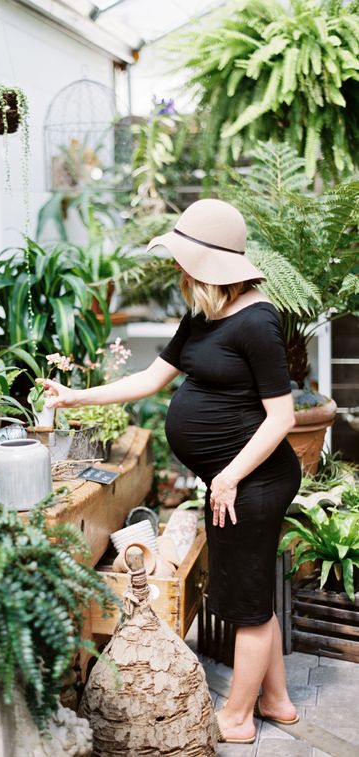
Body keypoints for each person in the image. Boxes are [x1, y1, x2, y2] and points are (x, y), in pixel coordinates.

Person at [39, 199, 302, 745]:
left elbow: (283, 417)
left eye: (184, 261)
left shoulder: (259, 321)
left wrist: (228, 476)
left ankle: (236, 718)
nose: (178, 271)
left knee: (248, 607)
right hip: (232, 484)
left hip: (254, 484)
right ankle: (276, 701)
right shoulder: (203, 317)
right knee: (252, 594)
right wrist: (72, 396)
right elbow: (149, 380)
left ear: (207, 266)